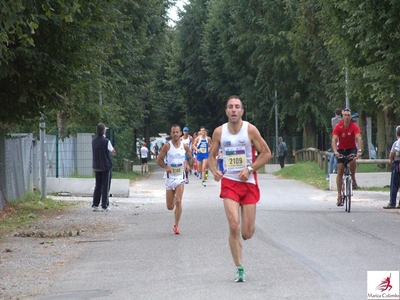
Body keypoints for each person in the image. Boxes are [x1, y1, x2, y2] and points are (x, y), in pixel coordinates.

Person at [209, 95, 272, 283]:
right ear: (226, 111)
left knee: (247, 232)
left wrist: (250, 168)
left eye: (237, 107)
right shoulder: (219, 132)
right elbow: (212, 156)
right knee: (234, 226)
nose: (234, 110)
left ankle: (239, 238)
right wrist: (214, 170)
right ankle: (239, 267)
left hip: (249, 182)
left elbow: (267, 153)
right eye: (230, 107)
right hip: (229, 182)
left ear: (242, 111)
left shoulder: (250, 130)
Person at [156, 125, 193, 234]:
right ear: (171, 134)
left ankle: (176, 226)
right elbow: (159, 160)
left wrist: (187, 164)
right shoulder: (167, 146)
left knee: (178, 200)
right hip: (169, 177)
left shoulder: (184, 146)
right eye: (173, 132)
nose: (175, 134)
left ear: (180, 133)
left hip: (180, 177)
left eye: (177, 132)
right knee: (170, 206)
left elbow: (190, 157)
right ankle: (173, 208)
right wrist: (166, 167)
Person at [332, 108, 363, 206]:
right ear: (342, 116)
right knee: (340, 170)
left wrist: (359, 151)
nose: (347, 117)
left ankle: (353, 177)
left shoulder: (354, 126)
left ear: (350, 116)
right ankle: (339, 195)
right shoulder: (338, 126)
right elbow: (334, 140)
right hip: (341, 149)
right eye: (345, 115)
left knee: (353, 160)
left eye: (348, 115)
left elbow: (359, 138)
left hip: (351, 149)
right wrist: (335, 151)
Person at [92, 123, 116, 212]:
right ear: (104, 131)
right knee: (105, 186)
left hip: (96, 165)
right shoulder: (106, 141)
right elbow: (112, 151)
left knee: (97, 185)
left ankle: (95, 204)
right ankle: (104, 205)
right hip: (105, 166)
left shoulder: (93, 141)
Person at [383, 126, 400, 209]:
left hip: (397, 164)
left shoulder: (396, 143)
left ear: (397, 134)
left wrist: (390, 160)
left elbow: (392, 154)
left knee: (394, 184)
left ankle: (392, 203)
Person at [327, 108, 342, 180]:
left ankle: (329, 174)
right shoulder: (342, 120)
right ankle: (336, 169)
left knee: (333, 154)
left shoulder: (333, 120)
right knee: (337, 154)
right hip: (341, 137)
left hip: (334, 136)